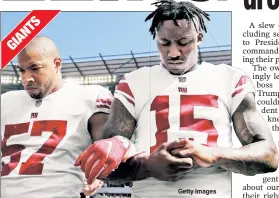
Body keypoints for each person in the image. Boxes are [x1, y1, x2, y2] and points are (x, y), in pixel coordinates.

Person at [75, 1, 278, 198]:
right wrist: (146, 166)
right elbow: (105, 166)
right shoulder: (134, 82)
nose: (173, 53)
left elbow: (269, 156)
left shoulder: (230, 79)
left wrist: (213, 154)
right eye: (164, 43)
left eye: (183, 42)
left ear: (199, 38)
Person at [1, 36, 112, 198]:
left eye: (35, 68)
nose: (26, 78)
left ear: (57, 64)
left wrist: (98, 173)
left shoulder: (89, 96)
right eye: (22, 70)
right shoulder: (6, 102)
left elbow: (109, 146)